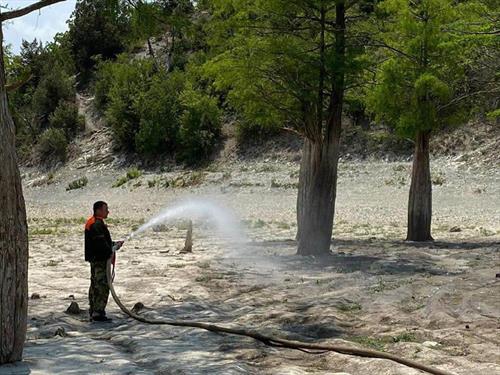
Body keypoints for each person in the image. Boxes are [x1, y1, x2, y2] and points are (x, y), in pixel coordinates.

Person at [84, 201, 123, 321]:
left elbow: (102, 242)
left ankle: (94, 310)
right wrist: (112, 248)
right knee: (102, 285)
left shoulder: (95, 223)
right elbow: (101, 245)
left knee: (95, 284)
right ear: (99, 210)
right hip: (99, 260)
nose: (108, 211)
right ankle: (98, 312)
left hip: (96, 259)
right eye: (106, 209)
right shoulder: (96, 225)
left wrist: (113, 244)